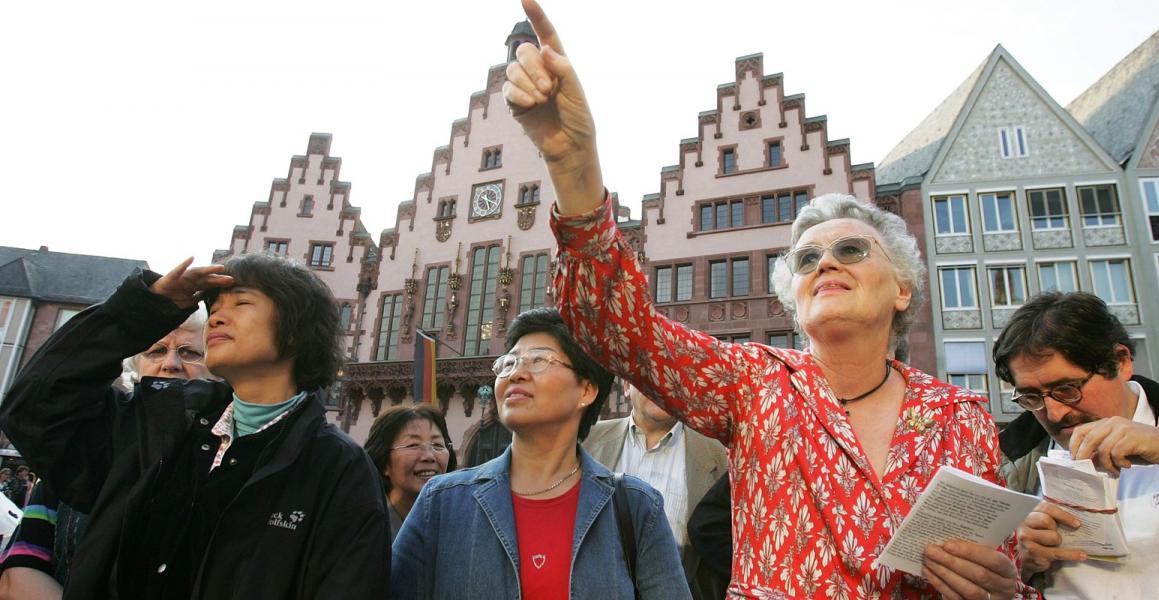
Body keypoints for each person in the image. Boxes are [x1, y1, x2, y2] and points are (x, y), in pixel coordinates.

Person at [503, 2, 1029, 597]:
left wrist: (1003, 590)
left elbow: (1006, 575)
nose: (825, 261)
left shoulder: (961, 419)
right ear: (795, 298)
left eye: (852, 250)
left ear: (902, 288)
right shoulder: (756, 384)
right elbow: (615, 329)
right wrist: (573, 164)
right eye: (806, 259)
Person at [0, 254, 389, 599]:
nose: (217, 316)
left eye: (242, 302)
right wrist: (146, 306)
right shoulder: (159, 425)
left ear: (295, 332)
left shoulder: (337, 468)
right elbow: (35, 408)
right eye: (215, 305)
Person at [391, 307, 690, 599]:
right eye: (509, 363)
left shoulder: (637, 508)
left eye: (539, 360)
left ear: (586, 390)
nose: (516, 373)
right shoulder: (442, 503)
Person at [995, 291, 1159, 597]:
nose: (1054, 412)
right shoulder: (1004, 457)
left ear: (1121, 362)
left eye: (1067, 388)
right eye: (1031, 397)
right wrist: (1015, 561)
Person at [0, 310, 213, 600]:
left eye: (190, 352)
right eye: (156, 351)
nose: (170, 364)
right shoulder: (78, 452)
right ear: (136, 366)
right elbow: (20, 569)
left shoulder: (223, 457)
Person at [583, 379, 728, 597]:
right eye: (647, 374)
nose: (660, 385)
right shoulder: (587, 442)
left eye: (670, 377)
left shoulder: (719, 455)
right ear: (626, 386)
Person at [363, 404, 457, 540]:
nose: (429, 456)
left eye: (437, 445)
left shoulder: (460, 526)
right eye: (413, 445)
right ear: (384, 463)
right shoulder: (364, 527)